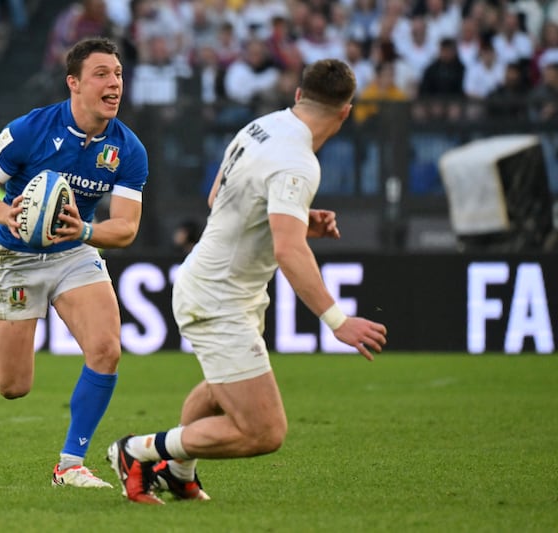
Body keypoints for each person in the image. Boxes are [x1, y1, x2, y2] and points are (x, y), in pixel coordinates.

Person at [107, 58, 388, 505]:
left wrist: (293, 216)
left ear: (298, 96)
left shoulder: (261, 127)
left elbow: (218, 195)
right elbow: (289, 250)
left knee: (222, 392)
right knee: (264, 431)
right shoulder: (298, 164)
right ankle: (137, 450)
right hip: (218, 296)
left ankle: (179, 473)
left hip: (219, 286)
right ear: (346, 112)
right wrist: (337, 321)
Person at [0, 37, 148, 489]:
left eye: (118, 74)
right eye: (102, 74)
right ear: (74, 83)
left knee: (106, 349)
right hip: (14, 257)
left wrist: (83, 231)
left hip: (73, 251)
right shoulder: (31, 129)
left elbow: (124, 228)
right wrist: (7, 213)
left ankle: (70, 465)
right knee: (13, 386)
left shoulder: (128, 149)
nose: (114, 83)